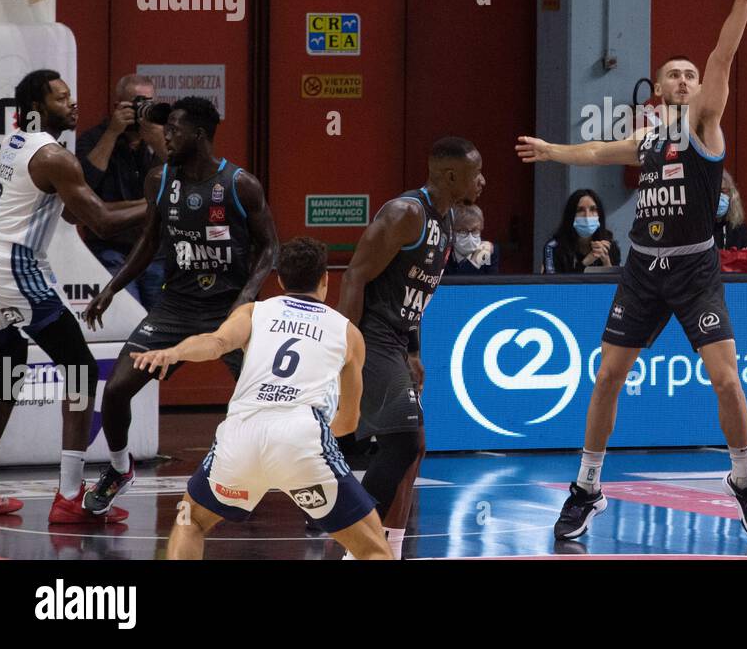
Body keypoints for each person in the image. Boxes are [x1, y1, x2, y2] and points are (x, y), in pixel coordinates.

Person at [518, 0, 747, 543]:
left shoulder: (705, 125)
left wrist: (742, 3)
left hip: (693, 270)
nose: (685, 80)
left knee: (727, 379)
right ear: (658, 87)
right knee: (608, 375)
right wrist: (554, 151)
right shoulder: (648, 137)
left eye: (690, 74)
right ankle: (587, 486)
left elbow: (722, 56)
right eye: (674, 75)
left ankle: (743, 478)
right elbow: (599, 152)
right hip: (641, 269)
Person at [133, 237, 390, 560]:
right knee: (372, 548)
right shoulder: (348, 333)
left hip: (242, 434)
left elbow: (214, 344)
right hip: (302, 438)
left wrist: (174, 351)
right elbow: (349, 421)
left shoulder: (254, 312)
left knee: (191, 521)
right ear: (325, 279)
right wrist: (303, 460)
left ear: (279, 279)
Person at [82, 97, 279, 517]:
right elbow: (149, 241)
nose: (166, 135)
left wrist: (245, 300)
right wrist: (112, 288)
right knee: (116, 391)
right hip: (175, 308)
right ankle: (119, 469)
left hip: (229, 310)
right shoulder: (160, 179)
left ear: (200, 135)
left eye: (174, 128)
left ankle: (312, 495)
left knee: (271, 403)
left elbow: (270, 247)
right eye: (165, 127)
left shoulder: (240, 184)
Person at [0, 70, 147, 521]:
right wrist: (161, 203)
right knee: (78, 369)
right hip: (14, 265)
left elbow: (82, 213)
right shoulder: (54, 156)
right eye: (62, 98)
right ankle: (70, 498)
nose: (73, 104)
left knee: (9, 370)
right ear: (39, 108)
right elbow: (99, 222)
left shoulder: (21, 140)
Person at [336, 137, 485, 559]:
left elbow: (414, 295)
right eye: (477, 172)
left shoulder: (448, 221)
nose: (483, 180)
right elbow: (354, 277)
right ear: (452, 175)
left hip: (398, 339)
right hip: (371, 337)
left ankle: (391, 548)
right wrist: (344, 350)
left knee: (413, 446)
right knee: (402, 441)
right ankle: (354, 544)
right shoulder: (406, 213)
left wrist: (414, 350)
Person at [75, 74, 168, 309]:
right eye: (136, 103)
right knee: (128, 314)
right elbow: (85, 184)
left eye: (148, 104)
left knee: (162, 320)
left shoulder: (164, 139)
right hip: (110, 250)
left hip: (156, 251)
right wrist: (112, 133)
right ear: (118, 106)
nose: (141, 110)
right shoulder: (94, 139)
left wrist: (157, 142)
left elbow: (185, 179)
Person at [542, 189, 621, 273]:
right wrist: (584, 263)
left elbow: (616, 284)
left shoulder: (610, 247)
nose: (587, 216)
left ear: (599, 215)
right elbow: (553, 284)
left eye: (593, 209)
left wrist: (606, 262)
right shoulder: (553, 248)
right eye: (580, 210)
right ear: (570, 215)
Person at [445, 204, 499, 276]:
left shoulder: (489, 251)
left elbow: (491, 285)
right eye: (463, 231)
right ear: (452, 231)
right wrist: (475, 260)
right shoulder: (443, 251)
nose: (470, 237)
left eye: (475, 231)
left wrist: (480, 255)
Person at [714, 170, 747, 250]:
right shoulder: (700, 230)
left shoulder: (739, 229)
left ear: (731, 195)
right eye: (715, 192)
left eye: (723, 192)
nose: (719, 196)